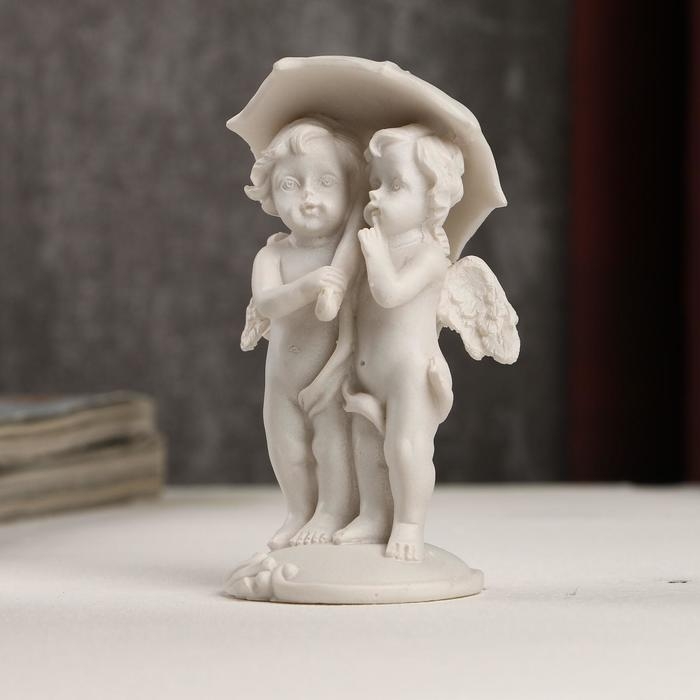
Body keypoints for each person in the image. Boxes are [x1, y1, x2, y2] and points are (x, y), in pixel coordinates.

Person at [334, 124, 463, 561]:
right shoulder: (369, 248)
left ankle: (409, 522)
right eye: (374, 183)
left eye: (394, 185)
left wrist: (373, 255)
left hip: (411, 372)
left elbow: (390, 294)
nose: (375, 194)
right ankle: (373, 515)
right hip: (369, 370)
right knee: (366, 446)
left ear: (433, 200)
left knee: (405, 449)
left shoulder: (428, 255)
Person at [244, 117, 364, 549]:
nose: (308, 197)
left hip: (330, 376)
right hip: (281, 378)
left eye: (325, 182)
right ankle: (298, 511)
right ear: (270, 194)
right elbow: (266, 303)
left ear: (350, 188)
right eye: (290, 185)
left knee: (332, 446)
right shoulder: (273, 255)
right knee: (287, 448)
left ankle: (331, 512)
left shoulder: (353, 252)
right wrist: (308, 286)